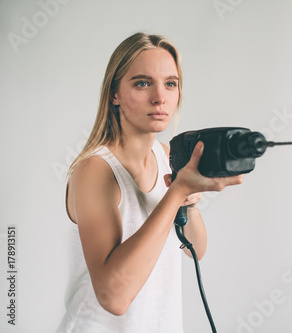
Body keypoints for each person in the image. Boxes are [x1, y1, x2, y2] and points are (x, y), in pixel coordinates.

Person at [56, 32, 244, 332]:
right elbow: (114, 298)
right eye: (142, 83)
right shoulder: (95, 170)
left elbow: (195, 248)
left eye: (170, 83)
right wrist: (178, 191)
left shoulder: (166, 155)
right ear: (114, 94)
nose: (160, 97)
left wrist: (189, 201)